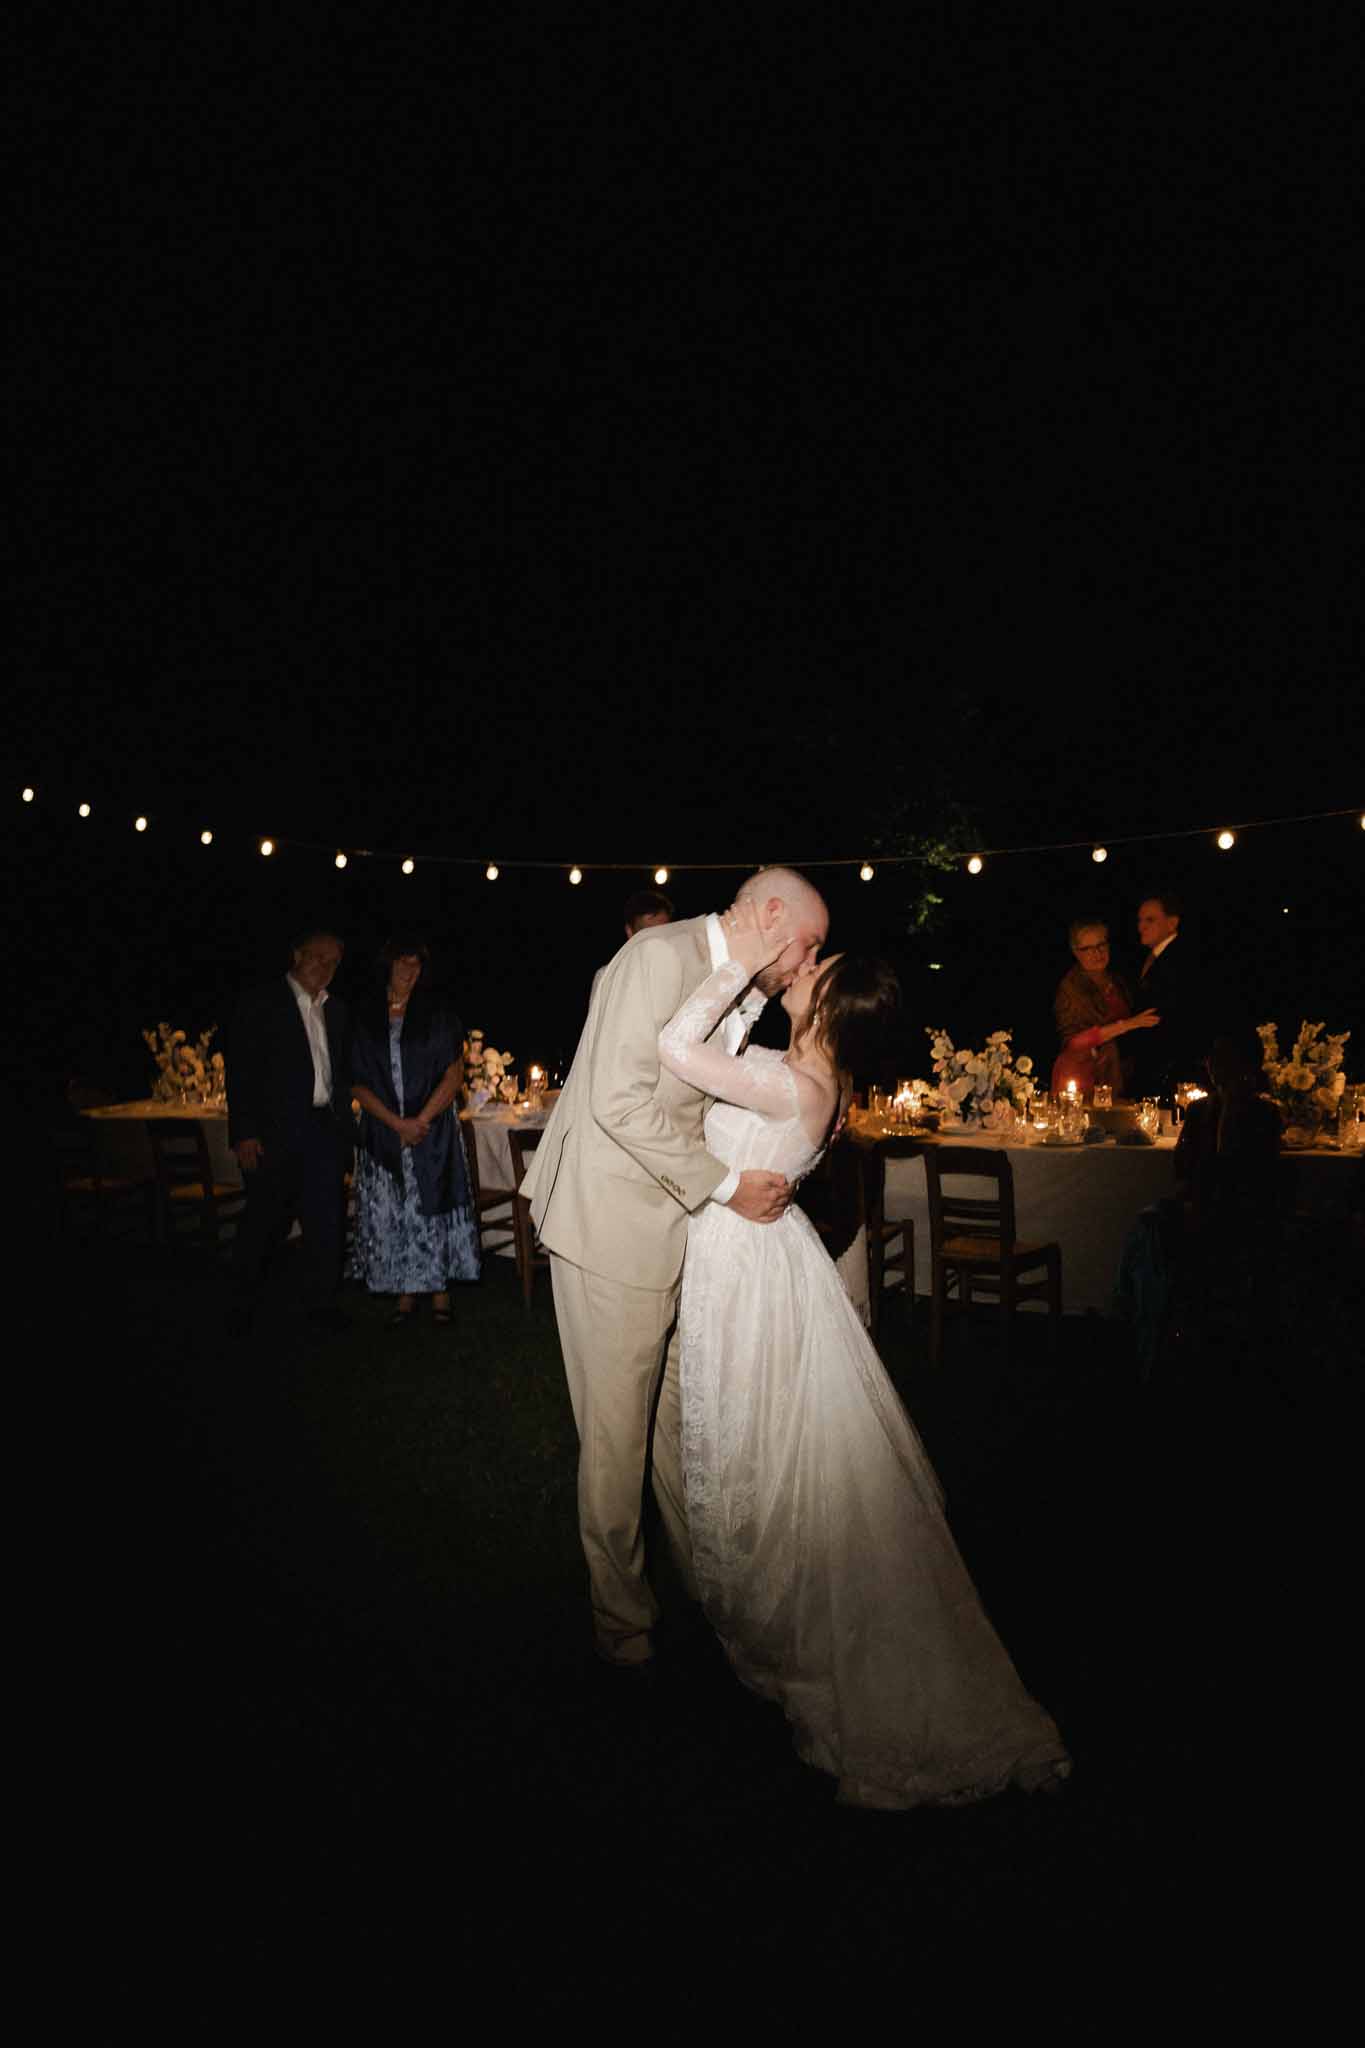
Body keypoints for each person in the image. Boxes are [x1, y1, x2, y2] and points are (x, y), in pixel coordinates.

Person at [655, 901, 1071, 1808]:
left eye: (813, 971)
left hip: (746, 1275)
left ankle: (791, 1625)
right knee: (774, 1449)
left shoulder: (797, 1086)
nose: (799, 971)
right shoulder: (797, 1073)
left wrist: (741, 961)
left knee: (764, 1450)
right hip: (760, 1264)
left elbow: (675, 1051)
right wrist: (755, 992)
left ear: (829, 1010)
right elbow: (723, 1054)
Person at [520, 866, 829, 1672]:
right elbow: (616, 1105)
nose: (807, 963)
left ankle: (696, 1582)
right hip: (610, 1223)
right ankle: (620, 1620)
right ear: (769, 913)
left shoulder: (735, 980)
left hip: (670, 1224)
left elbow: (703, 1091)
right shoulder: (657, 958)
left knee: (670, 1423)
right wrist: (726, 1188)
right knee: (617, 1437)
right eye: (809, 944)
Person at [349, 937, 479, 1328]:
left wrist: (419, 1120)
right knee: (396, 1212)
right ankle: (404, 1293)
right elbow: (355, 1081)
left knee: (431, 1208)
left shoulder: (437, 1015)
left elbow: (453, 1075)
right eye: (402, 964)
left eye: (416, 966)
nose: (409, 972)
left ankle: (439, 1291)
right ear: (387, 967)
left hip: (431, 1130)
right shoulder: (365, 1016)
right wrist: (396, 1124)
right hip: (384, 1131)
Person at [228, 926, 353, 1329]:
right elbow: (241, 1071)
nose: (326, 966)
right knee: (265, 1218)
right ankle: (242, 1301)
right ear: (297, 954)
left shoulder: (336, 1009)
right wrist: (245, 1131)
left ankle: (321, 1305)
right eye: (319, 956)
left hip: (323, 1130)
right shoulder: (262, 1003)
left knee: (325, 1220)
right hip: (276, 1129)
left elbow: (341, 1075)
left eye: (334, 961)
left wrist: (345, 1137)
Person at [1050, 918, 1158, 1098]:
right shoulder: (1070, 988)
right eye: (1088, 948)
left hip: (1117, 1075)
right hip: (1082, 1078)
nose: (1097, 953)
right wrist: (1129, 1024)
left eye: (1101, 944)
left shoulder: (1117, 981)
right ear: (1076, 952)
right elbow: (1073, 1043)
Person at [1130, 891, 1206, 1097]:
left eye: (1150, 920)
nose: (1141, 926)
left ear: (1172, 923)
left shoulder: (1182, 960)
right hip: (1153, 1066)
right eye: (1140, 920)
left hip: (1168, 1070)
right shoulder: (1153, 957)